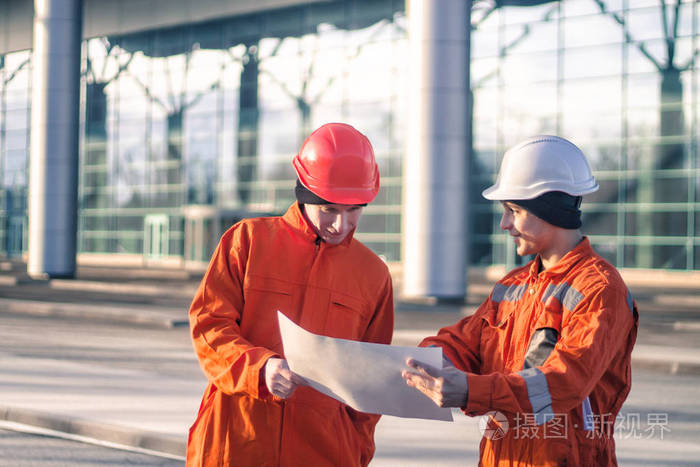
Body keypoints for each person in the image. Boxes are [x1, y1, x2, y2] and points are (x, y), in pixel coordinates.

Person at [402, 135, 639, 466]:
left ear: (551, 209)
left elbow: (564, 383)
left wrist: (472, 391)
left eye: (514, 210)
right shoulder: (511, 286)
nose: (505, 224)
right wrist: (424, 360)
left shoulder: (599, 289)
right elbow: (466, 342)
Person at [187, 122, 394, 466]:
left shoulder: (373, 275)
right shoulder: (247, 242)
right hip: (236, 444)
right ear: (304, 195)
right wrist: (260, 369)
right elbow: (209, 328)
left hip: (324, 453)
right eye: (329, 210)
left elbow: (370, 382)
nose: (341, 225)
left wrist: (356, 450)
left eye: (353, 210)